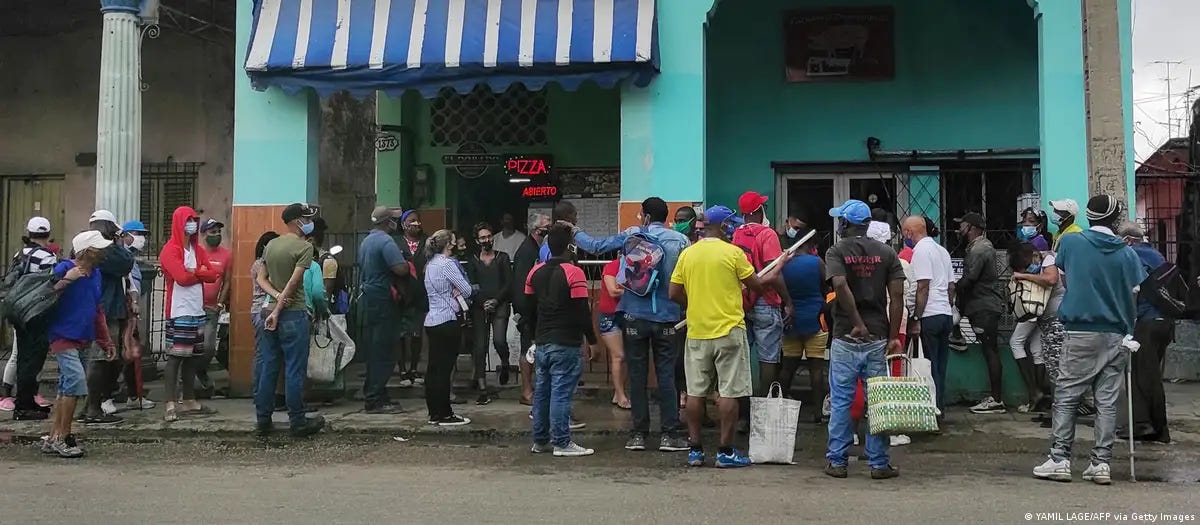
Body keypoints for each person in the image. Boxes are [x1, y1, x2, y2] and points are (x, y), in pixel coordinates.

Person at [1033, 195, 1145, 485]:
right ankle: (1101, 463)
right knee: (1106, 401)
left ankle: (1060, 459)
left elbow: (1066, 279)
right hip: (1117, 333)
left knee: (1067, 396)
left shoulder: (1071, 243)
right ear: (1115, 218)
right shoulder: (1128, 253)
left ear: (1088, 215)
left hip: (1081, 329)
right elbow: (1134, 293)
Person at [670, 205, 786, 468]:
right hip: (729, 331)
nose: (733, 228)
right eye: (730, 224)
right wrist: (779, 266)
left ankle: (695, 450)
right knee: (729, 392)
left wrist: (694, 305)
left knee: (695, 393)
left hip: (697, 332)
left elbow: (673, 292)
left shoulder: (688, 254)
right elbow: (757, 285)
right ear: (723, 226)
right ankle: (725, 451)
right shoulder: (733, 253)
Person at [572, 197, 691, 453]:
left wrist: (574, 231)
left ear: (645, 216)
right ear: (666, 216)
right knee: (667, 375)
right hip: (668, 317)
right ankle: (669, 435)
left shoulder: (632, 235)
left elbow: (596, 247)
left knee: (636, 375)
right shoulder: (680, 241)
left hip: (633, 315)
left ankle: (638, 435)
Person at [822, 199, 904, 480]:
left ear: (845, 223)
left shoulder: (836, 251)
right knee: (878, 402)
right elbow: (897, 297)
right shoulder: (887, 252)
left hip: (846, 335)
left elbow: (839, 284)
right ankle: (879, 464)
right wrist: (893, 336)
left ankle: (837, 461)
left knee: (841, 401)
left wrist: (856, 322)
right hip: (878, 337)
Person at [41, 231, 118, 457]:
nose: (103, 252)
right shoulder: (64, 268)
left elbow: (97, 309)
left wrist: (105, 340)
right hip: (62, 334)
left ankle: (55, 437)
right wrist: (67, 279)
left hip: (83, 336)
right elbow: (45, 295)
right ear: (87, 251)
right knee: (75, 383)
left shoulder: (96, 274)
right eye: (98, 249)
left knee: (67, 387)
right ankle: (63, 437)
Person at [255, 203, 326, 437]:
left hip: (268, 310)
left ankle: (263, 419)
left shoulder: (271, 245)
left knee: (269, 367)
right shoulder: (304, 247)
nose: (310, 223)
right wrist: (280, 306)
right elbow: (294, 282)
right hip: (293, 313)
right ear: (297, 221)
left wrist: (275, 299)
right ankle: (297, 421)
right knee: (294, 370)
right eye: (307, 219)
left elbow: (261, 278)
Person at [527, 224, 597, 457]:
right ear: (570, 246)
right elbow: (582, 311)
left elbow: (527, 308)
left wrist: (533, 336)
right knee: (561, 394)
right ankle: (562, 442)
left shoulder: (534, 272)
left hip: (542, 340)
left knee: (542, 393)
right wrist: (592, 341)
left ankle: (540, 441)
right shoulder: (574, 273)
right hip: (566, 342)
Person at [732, 191, 794, 408]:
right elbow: (774, 274)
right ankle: (762, 408)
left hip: (742, 301)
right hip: (766, 302)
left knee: (741, 357)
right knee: (768, 358)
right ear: (759, 211)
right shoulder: (767, 234)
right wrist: (788, 302)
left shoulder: (737, 234)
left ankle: (742, 410)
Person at [158, 207, 219, 422]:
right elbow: (181, 278)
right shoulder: (170, 250)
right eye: (188, 220)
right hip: (179, 310)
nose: (192, 223)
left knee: (193, 357)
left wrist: (196, 272)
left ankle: (189, 399)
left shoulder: (197, 249)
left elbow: (213, 275)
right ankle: (170, 402)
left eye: (194, 219)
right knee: (176, 357)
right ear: (179, 222)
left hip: (197, 309)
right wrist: (199, 273)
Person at [1118, 222, 1173, 443]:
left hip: (1147, 321)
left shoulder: (1134, 255)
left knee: (1142, 376)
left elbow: (1132, 288)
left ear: (1128, 240)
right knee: (1148, 375)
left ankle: (1150, 427)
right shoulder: (1155, 254)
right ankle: (1148, 425)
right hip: (1164, 322)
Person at [81, 210, 135, 425]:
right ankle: (93, 409)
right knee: (100, 359)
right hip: (105, 310)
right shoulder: (102, 249)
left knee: (101, 360)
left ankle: (89, 406)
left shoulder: (85, 245)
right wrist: (117, 241)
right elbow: (126, 263)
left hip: (96, 308)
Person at [2, 216, 58, 420]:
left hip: (19, 312)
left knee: (23, 356)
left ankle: (24, 401)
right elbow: (52, 284)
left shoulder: (20, 254)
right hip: (37, 313)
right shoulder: (48, 257)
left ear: (29, 233)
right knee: (33, 359)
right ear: (48, 234)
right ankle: (24, 406)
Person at [357, 207, 410, 414]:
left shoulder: (366, 241)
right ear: (387, 222)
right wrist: (407, 263)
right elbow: (400, 269)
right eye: (393, 220)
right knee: (385, 350)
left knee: (374, 348)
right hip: (383, 299)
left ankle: (375, 392)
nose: (395, 223)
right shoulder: (386, 241)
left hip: (369, 298)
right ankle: (375, 399)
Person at [954, 212, 1007, 414]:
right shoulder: (979, 247)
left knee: (990, 350)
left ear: (973, 228)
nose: (959, 230)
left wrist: (953, 289)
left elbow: (969, 279)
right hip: (981, 305)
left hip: (984, 307)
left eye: (962, 226)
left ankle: (996, 399)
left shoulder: (979, 249)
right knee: (989, 349)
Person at [902, 216, 955, 414]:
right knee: (940, 366)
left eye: (904, 232)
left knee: (928, 366)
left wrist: (916, 318)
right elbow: (951, 287)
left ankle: (931, 410)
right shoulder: (942, 251)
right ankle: (939, 407)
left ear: (909, 232)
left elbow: (922, 287)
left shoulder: (921, 251)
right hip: (945, 314)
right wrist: (946, 306)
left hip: (929, 315)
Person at [423, 229, 474, 426]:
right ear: (448, 244)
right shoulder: (447, 264)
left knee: (433, 368)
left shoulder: (430, 265)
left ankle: (434, 412)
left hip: (432, 319)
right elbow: (467, 290)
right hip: (448, 319)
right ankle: (445, 413)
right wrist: (456, 289)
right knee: (445, 369)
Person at [779, 232, 827, 413]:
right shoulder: (817, 262)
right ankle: (818, 412)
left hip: (791, 321)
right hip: (815, 319)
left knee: (787, 367)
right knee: (816, 367)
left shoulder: (783, 263)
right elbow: (826, 285)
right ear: (811, 244)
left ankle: (780, 406)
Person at [465, 222, 513, 403]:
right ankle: (483, 388)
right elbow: (471, 284)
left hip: (499, 304)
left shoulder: (503, 257)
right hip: (480, 306)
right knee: (480, 347)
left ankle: (505, 363)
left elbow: (508, 283)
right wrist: (482, 302)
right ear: (477, 241)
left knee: (499, 340)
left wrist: (495, 301)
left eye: (489, 236)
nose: (486, 240)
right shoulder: (472, 260)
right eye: (483, 237)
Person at [116, 220, 155, 411]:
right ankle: (112, 394)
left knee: (132, 356)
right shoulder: (120, 257)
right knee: (123, 356)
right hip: (122, 313)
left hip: (131, 313)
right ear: (125, 235)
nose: (142, 239)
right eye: (138, 234)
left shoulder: (131, 259)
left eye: (144, 235)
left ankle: (133, 395)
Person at [512, 213, 551, 404]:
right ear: (536, 229)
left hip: (535, 307)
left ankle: (532, 389)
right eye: (546, 226)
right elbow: (522, 284)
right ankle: (526, 391)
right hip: (528, 309)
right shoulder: (527, 251)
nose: (549, 229)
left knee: (533, 349)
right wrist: (524, 312)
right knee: (527, 348)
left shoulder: (537, 248)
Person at [194, 218, 231, 398]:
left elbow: (227, 281)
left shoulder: (226, 255)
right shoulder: (196, 253)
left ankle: (199, 371)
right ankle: (190, 381)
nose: (216, 235)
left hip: (211, 308)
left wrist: (220, 303)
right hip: (193, 307)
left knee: (208, 348)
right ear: (203, 234)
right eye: (212, 232)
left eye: (218, 232)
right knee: (189, 346)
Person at [396, 210, 428, 388]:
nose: (416, 224)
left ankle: (414, 368)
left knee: (417, 333)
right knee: (401, 333)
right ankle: (402, 369)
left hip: (421, 294)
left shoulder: (426, 242)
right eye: (412, 221)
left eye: (418, 220)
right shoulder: (396, 243)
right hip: (401, 294)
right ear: (404, 224)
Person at [599, 257, 630, 409]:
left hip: (626, 314)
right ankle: (620, 395)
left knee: (625, 356)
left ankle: (619, 392)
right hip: (610, 315)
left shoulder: (636, 268)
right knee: (619, 355)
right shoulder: (612, 266)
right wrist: (634, 292)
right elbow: (613, 291)